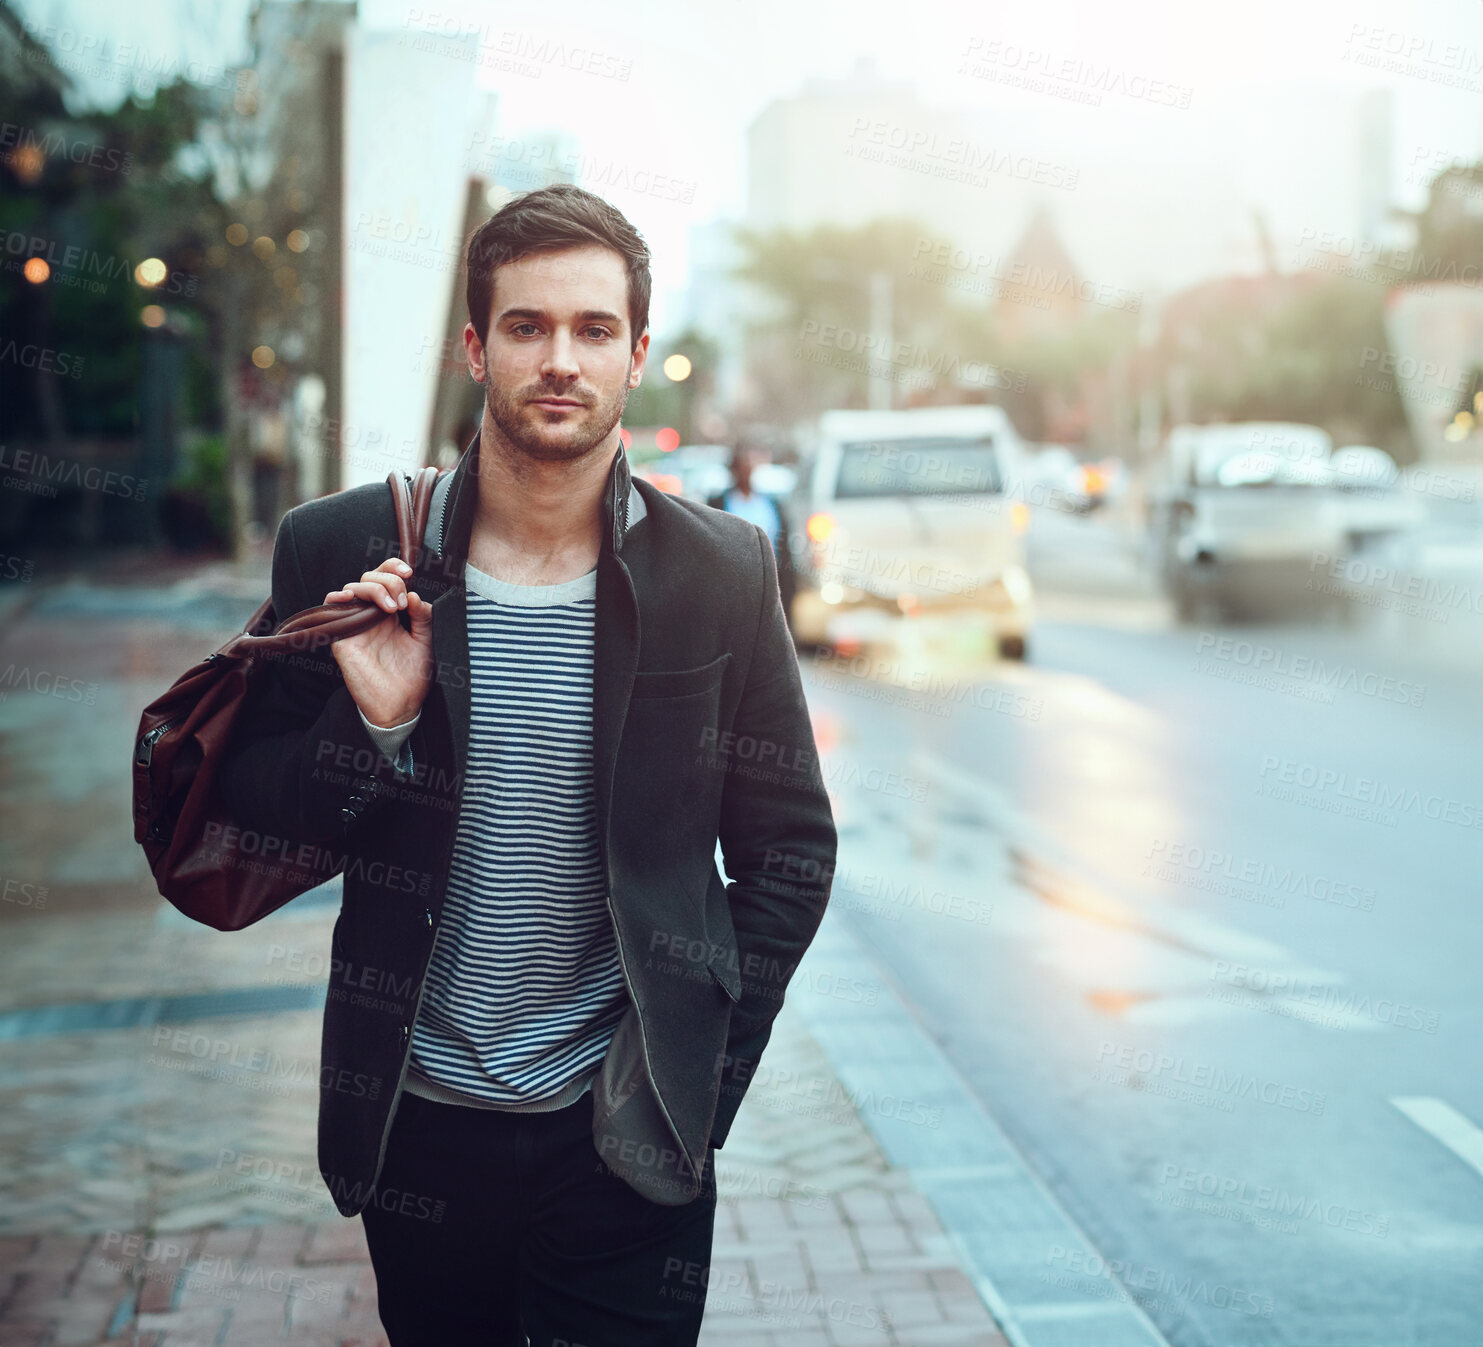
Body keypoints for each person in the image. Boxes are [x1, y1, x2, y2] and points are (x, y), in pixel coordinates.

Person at [218, 184, 836, 1346]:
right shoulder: (344, 552)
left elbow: (790, 855)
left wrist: (692, 1079)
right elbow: (257, 827)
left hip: (621, 1131)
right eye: (527, 326)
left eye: (594, 330)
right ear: (474, 346)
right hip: (418, 1127)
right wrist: (376, 732)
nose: (562, 359)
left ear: (638, 353)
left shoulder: (721, 572)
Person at [707, 444, 797, 633]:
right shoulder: (718, 503)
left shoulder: (771, 503)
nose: (745, 472)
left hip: (772, 578)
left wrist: (790, 582)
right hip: (735, 584)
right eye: (741, 467)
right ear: (733, 471)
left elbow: (784, 544)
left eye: (749, 466)